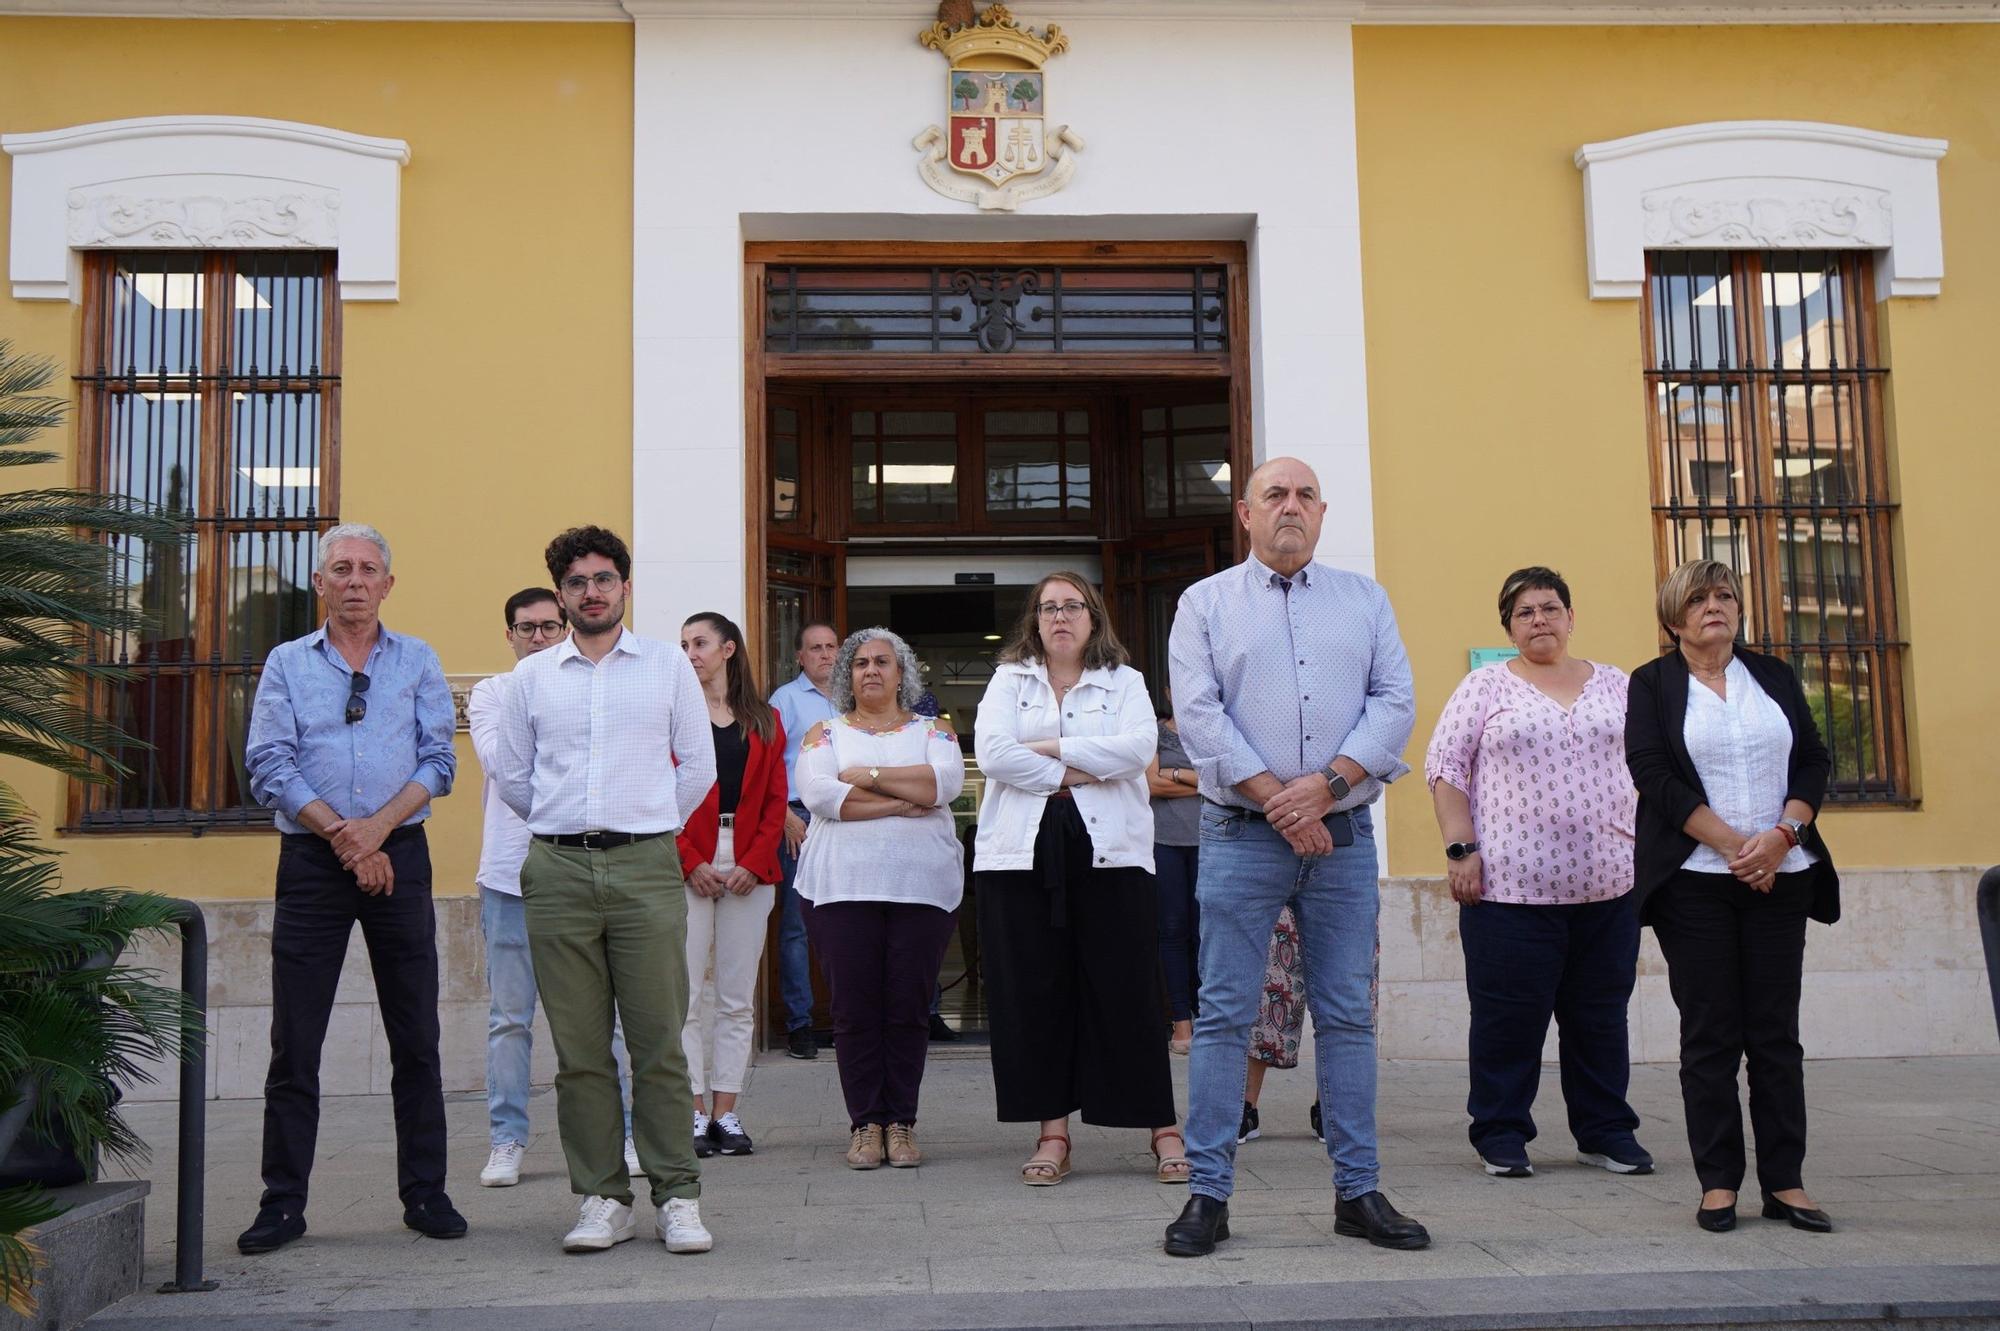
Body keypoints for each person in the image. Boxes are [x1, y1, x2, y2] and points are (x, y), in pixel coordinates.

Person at [1165, 456, 1427, 1257]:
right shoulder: (1204, 603)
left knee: (1348, 1016)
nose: (1290, 506)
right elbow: (1198, 713)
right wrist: (1282, 797)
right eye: (1273, 495)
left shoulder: (1365, 599)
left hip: (1342, 837)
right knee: (1223, 1017)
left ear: (1323, 512)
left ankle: (1358, 1190)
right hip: (1241, 833)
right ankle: (1207, 1193)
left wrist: (1327, 786)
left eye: (1304, 495)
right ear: (1245, 514)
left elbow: (1396, 700)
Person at [492, 525, 716, 1255]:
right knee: (581, 1050)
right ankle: (601, 1197)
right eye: (578, 581)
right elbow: (517, 777)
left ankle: (677, 1193)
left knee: (658, 1039)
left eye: (604, 578)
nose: (592, 591)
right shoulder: (533, 678)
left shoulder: (665, 667)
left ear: (625, 586)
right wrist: (570, 827)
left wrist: (644, 824)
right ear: (561, 593)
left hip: (645, 865)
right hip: (555, 870)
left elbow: (698, 769)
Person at [238, 523, 461, 1254]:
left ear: (388, 584)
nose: (357, 580)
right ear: (321, 583)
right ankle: (282, 1203)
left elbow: (439, 761)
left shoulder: (419, 660)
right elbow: (267, 762)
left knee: (416, 1036)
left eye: (369, 569)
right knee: (294, 1041)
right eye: (343, 568)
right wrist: (345, 834)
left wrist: (374, 831)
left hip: (401, 853)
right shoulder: (285, 663)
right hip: (312, 860)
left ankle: (426, 1193)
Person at [1626, 558, 1840, 1235]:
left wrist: (1782, 835)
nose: (1714, 606)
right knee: (1711, 1035)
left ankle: (1786, 1181)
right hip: (1696, 883)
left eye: (1724, 594)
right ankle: (1719, 1181)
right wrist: (1731, 844)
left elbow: (1812, 758)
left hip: (1784, 872)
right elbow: (1652, 773)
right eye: (1699, 598)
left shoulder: (1771, 675)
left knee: (1776, 1034)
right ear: (1673, 618)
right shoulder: (1653, 684)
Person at [1424, 566, 1650, 1181]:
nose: (1540, 620)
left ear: (1572, 618)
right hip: (1509, 893)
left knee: (1601, 1017)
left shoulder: (1618, 685)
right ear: (1509, 626)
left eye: (1550, 608)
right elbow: (1447, 770)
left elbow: (1650, 769)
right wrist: (1459, 848)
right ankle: (1500, 1133)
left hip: (1610, 887)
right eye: (1525, 612)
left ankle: (1605, 1132)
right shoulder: (1484, 687)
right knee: (1507, 1020)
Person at [974, 574, 1186, 1187]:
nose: (1059, 616)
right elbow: (991, 755)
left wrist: (1044, 748)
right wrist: (1074, 770)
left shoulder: (1126, 683)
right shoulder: (1008, 680)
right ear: (1034, 622)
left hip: (1111, 854)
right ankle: (1053, 1134)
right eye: (1048, 608)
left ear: (1093, 617)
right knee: (1037, 996)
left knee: (1128, 992)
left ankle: (1162, 1128)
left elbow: (1137, 749)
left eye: (1072, 606)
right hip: (1021, 855)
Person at [470, 589, 639, 1189]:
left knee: (610, 1020)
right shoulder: (495, 692)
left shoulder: (595, 686)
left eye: (549, 626)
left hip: (587, 871)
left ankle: (623, 1133)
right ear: (509, 635)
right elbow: (500, 761)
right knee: (510, 1019)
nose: (539, 637)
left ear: (565, 627)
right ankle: (507, 1139)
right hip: (511, 875)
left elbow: (622, 767)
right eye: (526, 628)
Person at [792, 628, 964, 1171]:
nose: (871, 670)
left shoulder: (935, 730)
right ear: (847, 675)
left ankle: (902, 1124)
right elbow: (821, 795)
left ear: (901, 672)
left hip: (921, 889)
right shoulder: (825, 732)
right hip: (841, 886)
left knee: (909, 1008)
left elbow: (945, 786)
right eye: (860, 662)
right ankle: (866, 1123)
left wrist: (866, 777)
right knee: (854, 1008)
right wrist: (898, 801)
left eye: (882, 662)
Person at [677, 612, 787, 1159]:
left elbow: (775, 800)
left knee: (737, 997)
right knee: (687, 995)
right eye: (684, 645)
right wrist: (689, 861)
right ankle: (694, 1112)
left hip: (749, 865)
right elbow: (655, 795)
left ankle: (727, 1111)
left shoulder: (764, 720)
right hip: (688, 864)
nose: (690, 653)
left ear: (728, 650)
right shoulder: (673, 717)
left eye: (700, 643)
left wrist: (755, 858)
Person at [770, 622, 839, 1060]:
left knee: (846, 922)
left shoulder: (853, 697)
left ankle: (847, 1019)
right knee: (796, 927)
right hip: (799, 819)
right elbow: (768, 762)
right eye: (815, 648)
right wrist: (783, 818)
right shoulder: (785, 700)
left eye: (831, 647)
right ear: (800, 656)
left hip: (848, 816)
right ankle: (800, 1026)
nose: (825, 655)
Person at [1237, 907, 1325, 1148]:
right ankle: (1246, 1107)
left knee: (1346, 1004)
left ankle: (1331, 1107)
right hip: (1276, 877)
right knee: (1270, 990)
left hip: (1344, 877)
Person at [1148, 689, 1201, 1056]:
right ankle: (1181, 1023)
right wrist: (1198, 781)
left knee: (1207, 932)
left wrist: (1174, 772)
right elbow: (1150, 783)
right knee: (1171, 931)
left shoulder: (1211, 731)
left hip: (1212, 841)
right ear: (1169, 691)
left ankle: (1209, 1019)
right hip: (1163, 842)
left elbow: (1224, 780)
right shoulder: (1153, 732)